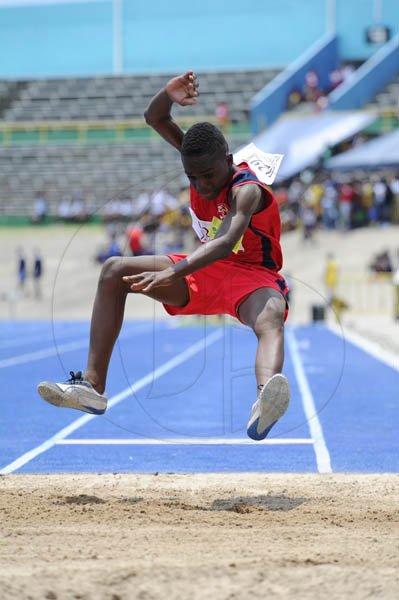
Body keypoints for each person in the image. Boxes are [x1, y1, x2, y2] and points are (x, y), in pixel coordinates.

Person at [37, 71, 290, 441]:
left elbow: (224, 242)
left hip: (251, 277)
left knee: (270, 317)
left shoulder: (246, 191)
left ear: (228, 160)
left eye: (208, 175)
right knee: (113, 271)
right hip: (203, 271)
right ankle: (91, 386)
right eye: (193, 177)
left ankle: (265, 399)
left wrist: (174, 272)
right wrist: (167, 95)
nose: (202, 184)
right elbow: (155, 118)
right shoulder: (200, 160)